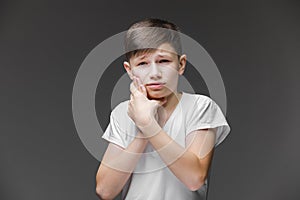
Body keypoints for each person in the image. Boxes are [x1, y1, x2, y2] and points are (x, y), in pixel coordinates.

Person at [96, 18, 230, 200]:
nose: (154, 73)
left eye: (164, 61)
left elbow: (194, 178)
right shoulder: (122, 114)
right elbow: (105, 191)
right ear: (129, 70)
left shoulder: (200, 107)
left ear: (181, 65)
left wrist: (149, 125)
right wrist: (142, 130)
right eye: (143, 63)